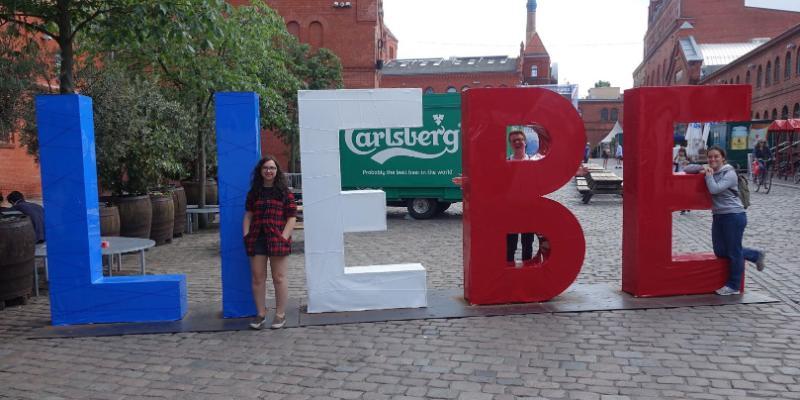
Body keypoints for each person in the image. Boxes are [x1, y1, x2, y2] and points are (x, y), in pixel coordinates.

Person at [685, 146, 766, 295]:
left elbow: (715, 189)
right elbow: (687, 169)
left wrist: (708, 175)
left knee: (734, 252)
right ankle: (755, 255)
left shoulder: (730, 173)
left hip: (734, 216)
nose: (713, 159)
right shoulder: (711, 168)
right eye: (710, 157)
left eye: (716, 156)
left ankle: (733, 286)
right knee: (720, 251)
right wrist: (703, 166)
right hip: (718, 215)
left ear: (723, 158)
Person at [243, 156, 297, 329]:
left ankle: (280, 314)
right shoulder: (254, 192)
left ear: (277, 171)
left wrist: (284, 236)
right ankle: (261, 313)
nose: (269, 171)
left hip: (277, 239)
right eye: (266, 168)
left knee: (279, 277)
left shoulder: (284, 192)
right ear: (260, 171)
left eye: (272, 168)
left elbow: (291, 217)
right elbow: (248, 215)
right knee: (258, 278)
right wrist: (246, 234)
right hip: (257, 238)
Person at [674, 147, 691, 214]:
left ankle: (687, 206)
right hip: (679, 176)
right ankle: (683, 207)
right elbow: (674, 163)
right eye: (680, 151)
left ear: (684, 152)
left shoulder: (687, 159)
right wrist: (677, 159)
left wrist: (686, 163)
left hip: (685, 176)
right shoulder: (677, 158)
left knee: (686, 192)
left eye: (682, 152)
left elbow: (690, 166)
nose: (681, 153)